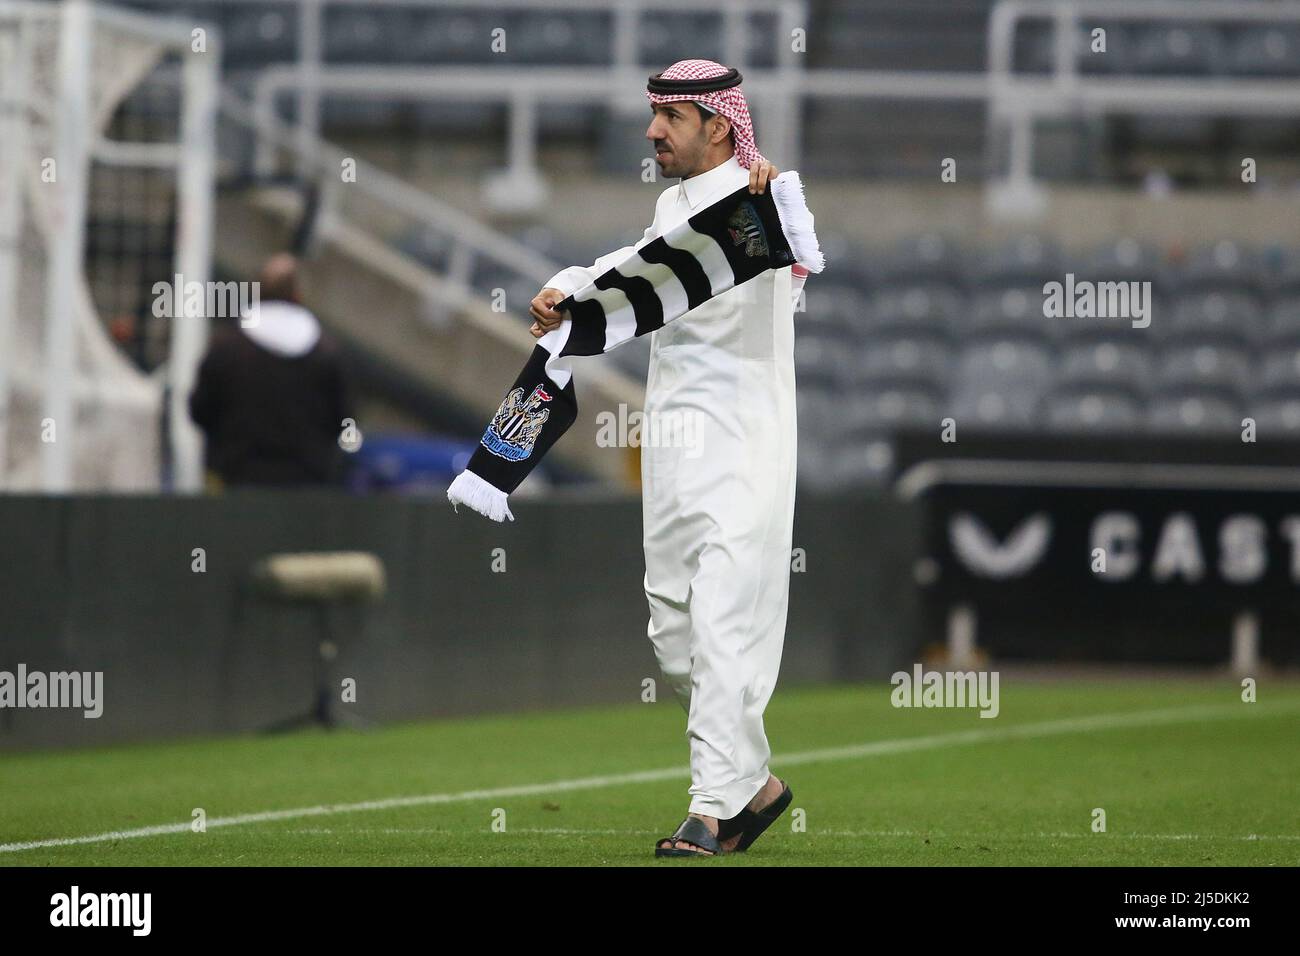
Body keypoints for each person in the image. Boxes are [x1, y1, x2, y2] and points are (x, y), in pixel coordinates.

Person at [530, 60, 809, 857]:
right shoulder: (670, 204)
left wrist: (772, 192)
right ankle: (757, 785)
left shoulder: (764, 200)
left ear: (720, 125)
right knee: (673, 630)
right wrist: (567, 291)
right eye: (654, 116)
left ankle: (709, 812)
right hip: (675, 437)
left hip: (747, 435)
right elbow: (639, 268)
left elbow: (790, 255)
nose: (653, 132)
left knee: (722, 615)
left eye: (671, 118)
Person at [189, 253, 355, 488]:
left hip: (234, 479)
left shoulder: (226, 346)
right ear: (298, 295)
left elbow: (199, 410)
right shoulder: (326, 352)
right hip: (305, 484)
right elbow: (344, 420)